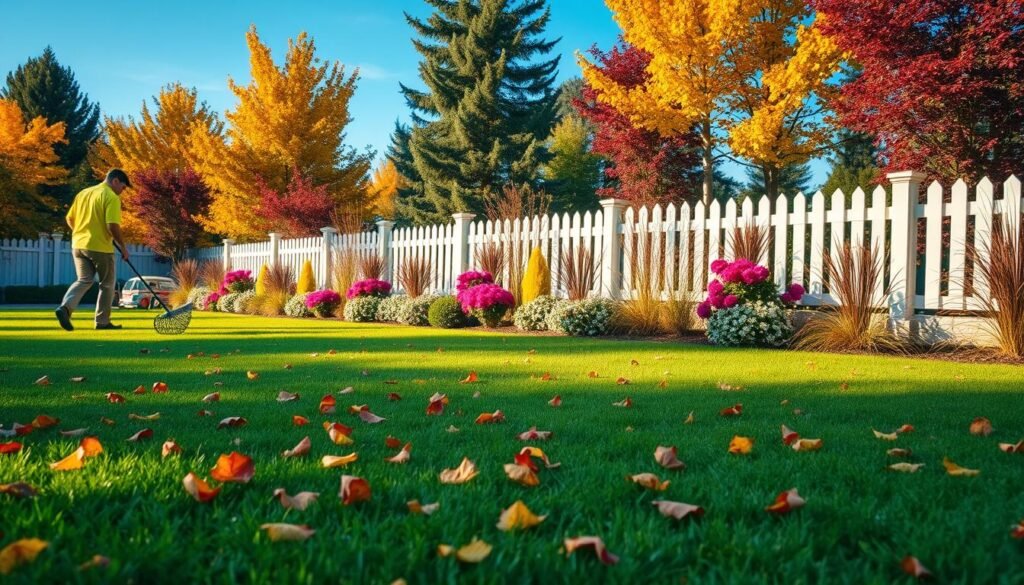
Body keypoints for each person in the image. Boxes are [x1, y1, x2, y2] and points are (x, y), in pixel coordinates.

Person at [55, 169, 131, 331]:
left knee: (84, 280)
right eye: (123, 188)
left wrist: (82, 230)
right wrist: (123, 247)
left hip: (78, 245)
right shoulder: (111, 197)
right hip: (100, 247)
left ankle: (65, 308)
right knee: (107, 284)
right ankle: (102, 322)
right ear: (115, 181)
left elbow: (69, 218)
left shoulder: (84, 193)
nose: (122, 192)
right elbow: (112, 225)